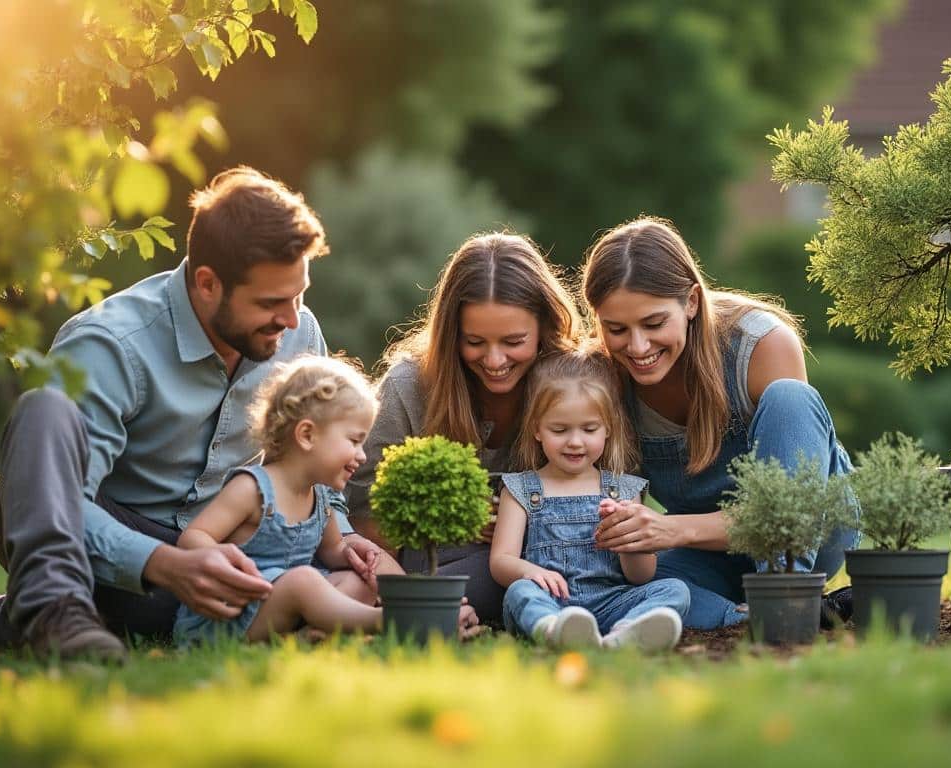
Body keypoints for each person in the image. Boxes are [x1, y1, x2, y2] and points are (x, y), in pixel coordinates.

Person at [0, 167, 435, 660]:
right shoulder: (110, 344)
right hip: (110, 547)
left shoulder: (297, 332)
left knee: (329, 591)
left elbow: (310, 454)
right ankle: (54, 606)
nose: (292, 318)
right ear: (208, 283)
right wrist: (166, 564)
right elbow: (66, 499)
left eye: (299, 294)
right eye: (272, 301)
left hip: (232, 553)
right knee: (44, 409)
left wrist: (341, 537)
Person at [581, 215, 860, 630]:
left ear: (691, 301)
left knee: (790, 396)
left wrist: (673, 530)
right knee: (613, 585)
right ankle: (746, 615)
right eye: (616, 328)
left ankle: (786, 597)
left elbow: (789, 511)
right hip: (708, 555)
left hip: (811, 533)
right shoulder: (603, 377)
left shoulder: (760, 345)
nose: (637, 347)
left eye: (654, 324)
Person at [347, 232, 582, 624]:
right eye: (475, 341)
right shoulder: (409, 387)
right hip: (422, 561)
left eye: (513, 341)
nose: (494, 360)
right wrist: (462, 519)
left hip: (549, 556)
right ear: (451, 333)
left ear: (545, 327)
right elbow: (362, 513)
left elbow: (607, 483)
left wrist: (520, 523)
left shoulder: (572, 385)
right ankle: (419, 607)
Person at [173, 355, 391, 644]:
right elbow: (193, 536)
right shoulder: (253, 489)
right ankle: (385, 621)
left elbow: (332, 549)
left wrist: (352, 554)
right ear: (307, 434)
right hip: (233, 616)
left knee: (357, 581)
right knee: (304, 581)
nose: (362, 456)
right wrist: (228, 563)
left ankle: (307, 637)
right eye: (354, 441)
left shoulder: (321, 496)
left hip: (284, 607)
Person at [491, 349, 688, 651]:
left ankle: (625, 634)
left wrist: (625, 537)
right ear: (537, 429)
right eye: (559, 429)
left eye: (589, 429)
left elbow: (640, 576)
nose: (575, 441)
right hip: (550, 602)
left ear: (608, 428)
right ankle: (554, 630)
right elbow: (501, 561)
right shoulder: (519, 488)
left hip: (611, 601)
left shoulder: (623, 490)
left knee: (674, 589)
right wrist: (532, 572)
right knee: (519, 592)